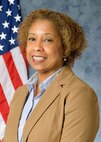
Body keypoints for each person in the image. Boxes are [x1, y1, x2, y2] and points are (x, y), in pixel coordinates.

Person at [3, 9, 99, 142]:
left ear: (65, 48)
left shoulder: (80, 94)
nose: (37, 47)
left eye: (48, 40)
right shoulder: (20, 94)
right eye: (32, 39)